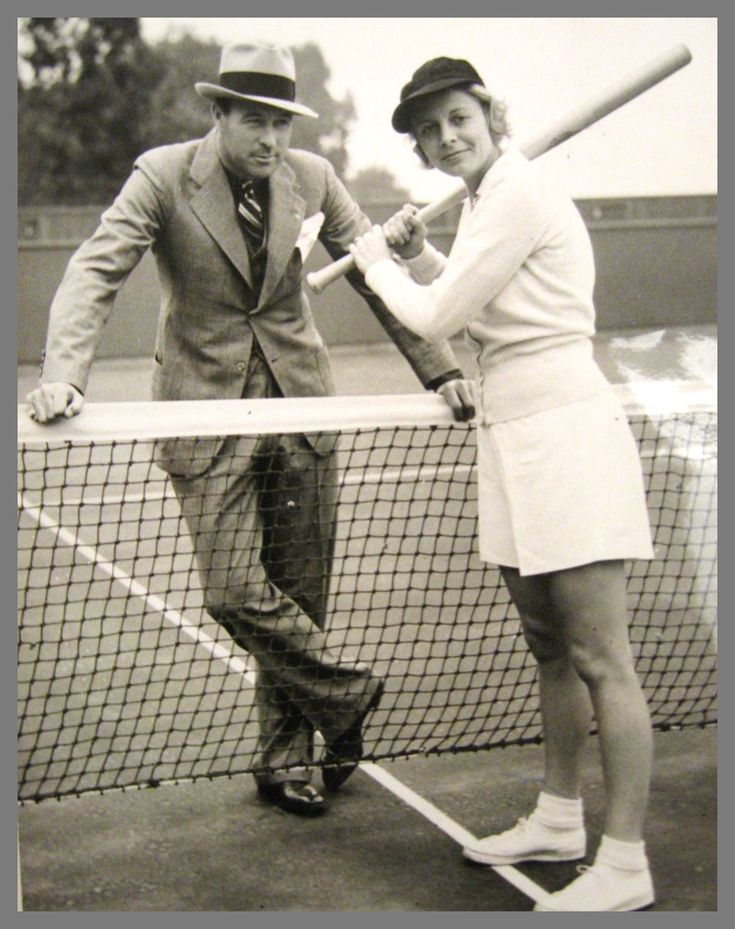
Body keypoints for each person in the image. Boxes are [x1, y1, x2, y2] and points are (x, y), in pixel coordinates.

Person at [25, 42, 475, 818]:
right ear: (219, 114)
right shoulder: (162, 176)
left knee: (299, 593)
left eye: (281, 124)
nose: (270, 140)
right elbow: (94, 270)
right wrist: (65, 372)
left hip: (302, 404)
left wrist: (440, 370)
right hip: (203, 412)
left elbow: (375, 273)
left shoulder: (315, 180)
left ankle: (284, 759)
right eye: (255, 122)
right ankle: (349, 694)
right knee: (234, 590)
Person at [349, 56, 656, 911]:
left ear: (487, 113)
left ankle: (625, 862)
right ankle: (559, 817)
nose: (446, 137)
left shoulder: (516, 190)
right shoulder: (488, 200)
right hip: (509, 428)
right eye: (428, 129)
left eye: (457, 118)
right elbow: (489, 297)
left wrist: (375, 260)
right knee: (544, 640)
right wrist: (425, 255)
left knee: (601, 655)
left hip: (565, 429)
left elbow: (438, 319)